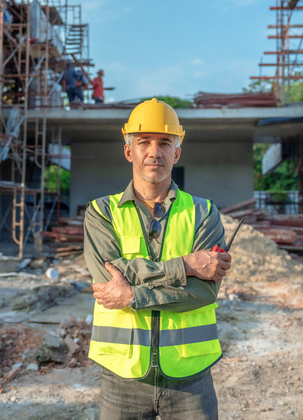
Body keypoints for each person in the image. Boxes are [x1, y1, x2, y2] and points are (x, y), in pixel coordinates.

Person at [83, 98, 232, 419]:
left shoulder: (204, 213)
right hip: (121, 378)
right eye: (144, 142)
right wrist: (187, 266)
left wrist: (132, 294)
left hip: (190, 376)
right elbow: (109, 283)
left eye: (165, 143)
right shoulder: (101, 212)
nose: (154, 152)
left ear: (176, 153)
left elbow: (204, 293)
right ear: (128, 151)